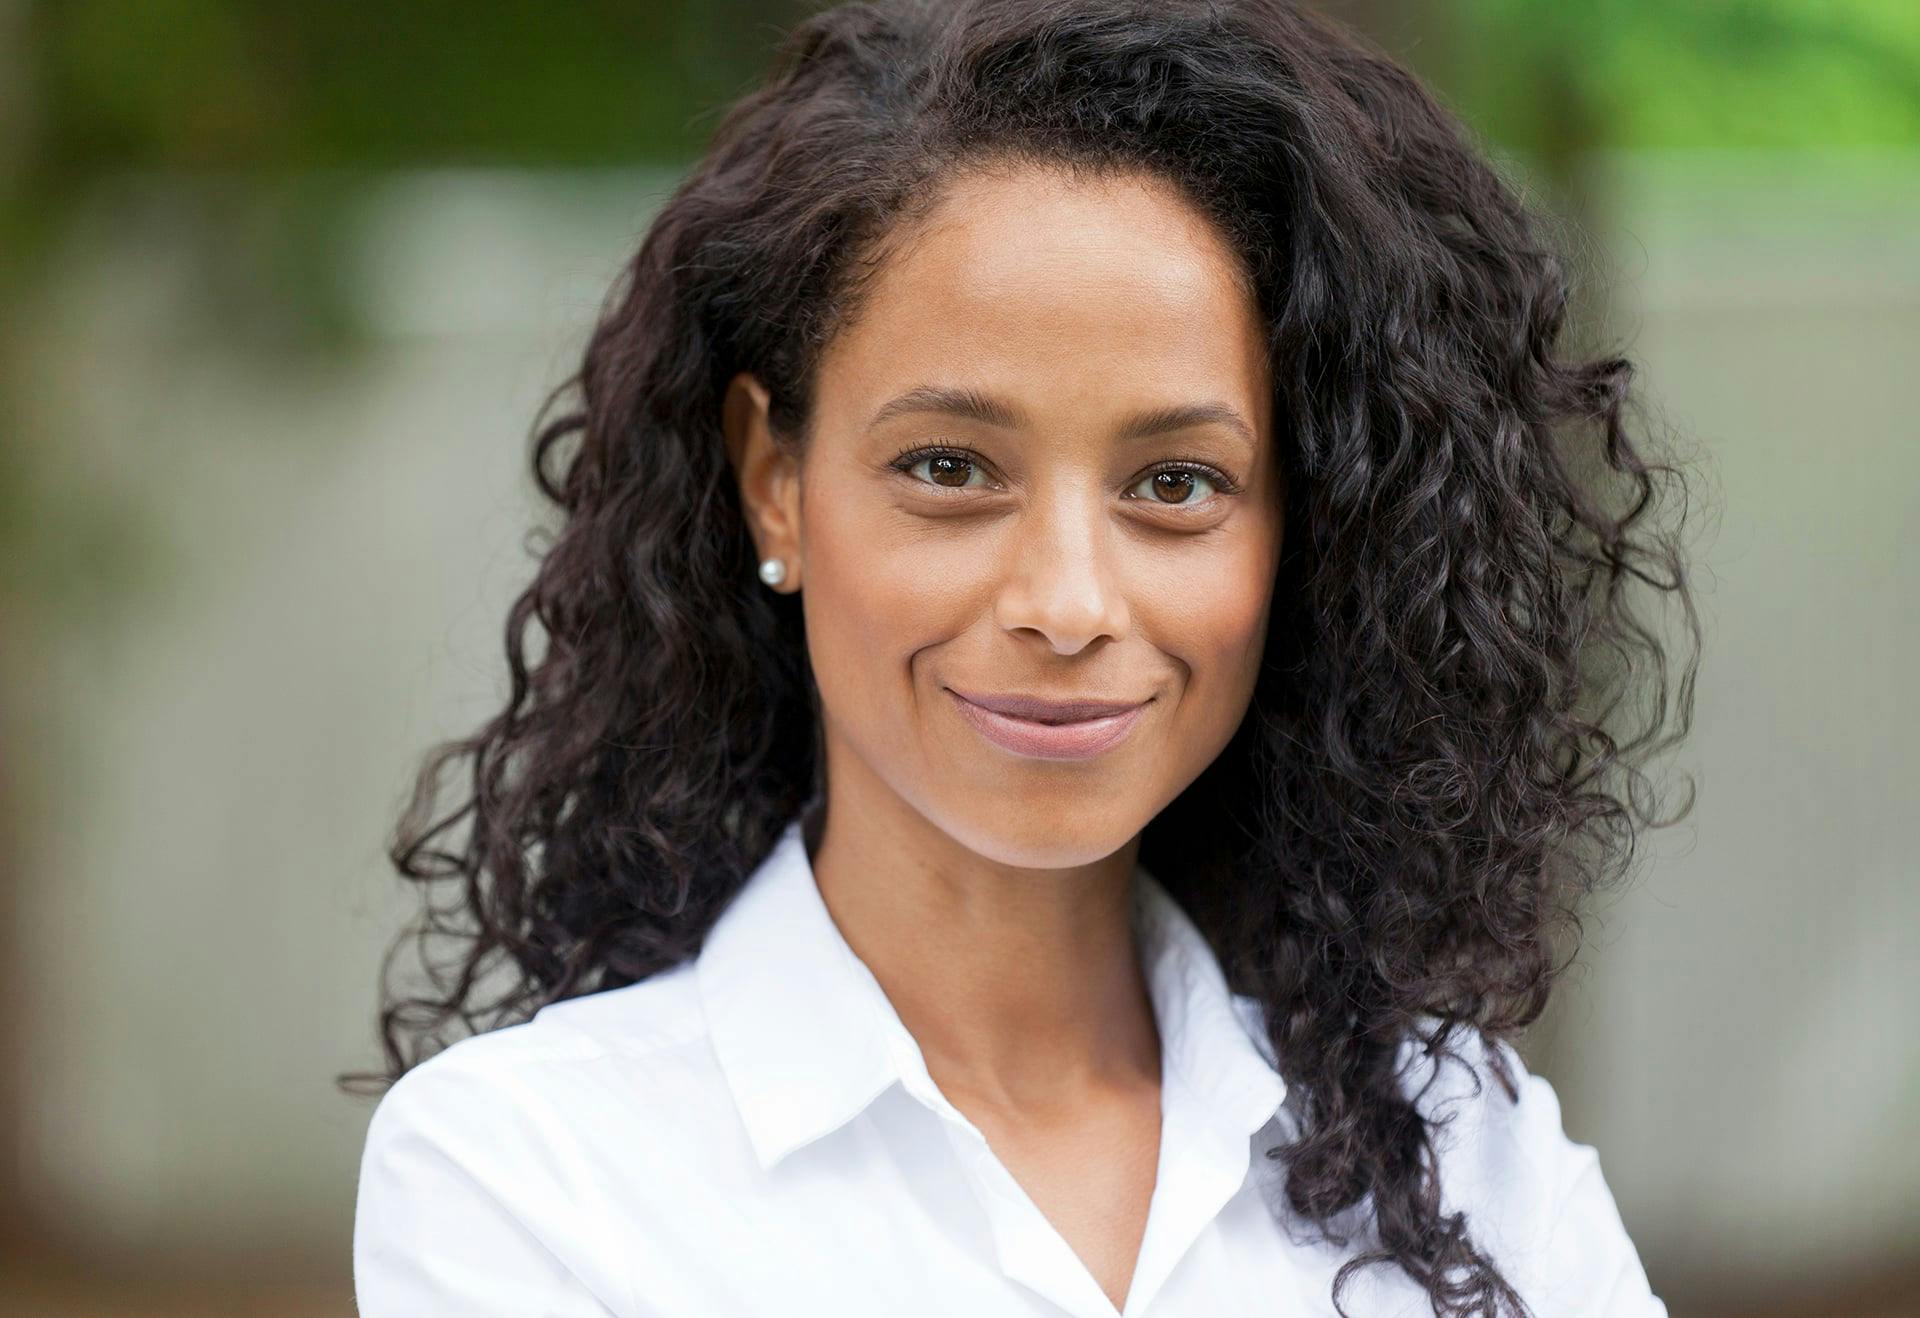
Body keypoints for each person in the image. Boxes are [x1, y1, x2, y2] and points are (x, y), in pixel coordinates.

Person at [346, 1, 1700, 1314]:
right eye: (950, 467)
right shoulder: (531, 1177)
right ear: (774, 481)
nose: (1067, 600)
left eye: (1176, 481)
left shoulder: (1469, 1151)